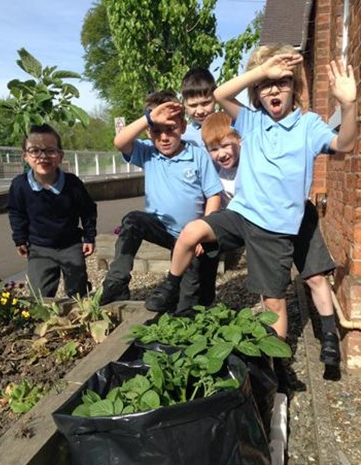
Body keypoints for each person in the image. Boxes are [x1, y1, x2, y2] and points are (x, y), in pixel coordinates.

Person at [145, 44, 357, 355]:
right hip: (242, 214)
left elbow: (345, 144)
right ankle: (171, 286)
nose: (274, 90)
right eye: (265, 85)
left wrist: (349, 106)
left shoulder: (307, 125)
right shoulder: (251, 120)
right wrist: (262, 71)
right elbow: (220, 95)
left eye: (282, 83)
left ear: (294, 87)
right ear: (256, 91)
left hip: (274, 227)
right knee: (192, 232)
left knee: (273, 304)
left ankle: (277, 365)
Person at [201, 110, 342, 367]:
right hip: (264, 228)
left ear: (240, 137)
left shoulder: (254, 147)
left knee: (314, 275)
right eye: (214, 148)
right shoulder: (214, 170)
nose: (220, 153)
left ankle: (330, 334)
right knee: (271, 294)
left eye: (225, 144)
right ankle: (278, 360)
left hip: (296, 214)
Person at [99, 90, 223, 312]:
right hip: (162, 228)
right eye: (156, 131)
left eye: (170, 129)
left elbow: (213, 195)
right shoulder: (148, 153)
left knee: (195, 300)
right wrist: (150, 117)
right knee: (133, 220)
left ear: (183, 128)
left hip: (192, 237)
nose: (164, 137)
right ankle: (116, 282)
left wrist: (205, 232)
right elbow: (120, 141)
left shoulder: (196, 155)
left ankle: (188, 304)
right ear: (148, 132)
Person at [8, 124, 97, 298]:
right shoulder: (20, 185)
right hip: (39, 247)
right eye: (35, 150)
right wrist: (20, 238)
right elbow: (16, 212)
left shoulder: (72, 184)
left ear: (60, 155)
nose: (43, 157)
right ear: (25, 156)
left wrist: (89, 236)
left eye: (50, 151)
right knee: (39, 295)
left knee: (77, 291)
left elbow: (88, 210)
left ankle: (80, 315)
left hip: (70, 245)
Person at [181, 67, 217, 147]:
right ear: (184, 104)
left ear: (215, 99)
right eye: (193, 105)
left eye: (205, 103)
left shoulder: (230, 128)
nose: (200, 111)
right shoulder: (181, 137)